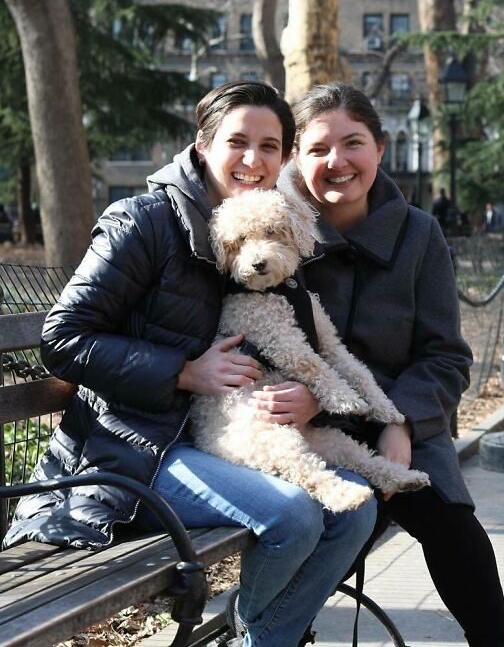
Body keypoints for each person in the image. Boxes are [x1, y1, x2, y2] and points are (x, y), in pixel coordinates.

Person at [4, 81, 376, 647]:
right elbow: (61, 339)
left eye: (271, 146)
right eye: (238, 142)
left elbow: (298, 345)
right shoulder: (144, 221)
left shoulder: (263, 229)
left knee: (354, 510)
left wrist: (315, 397)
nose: (253, 160)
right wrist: (181, 370)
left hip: (217, 438)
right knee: (293, 516)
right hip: (130, 453)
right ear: (202, 145)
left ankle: (261, 636)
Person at [269, 82, 504, 647]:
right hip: (300, 428)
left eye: (353, 143)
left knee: (451, 523)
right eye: (318, 148)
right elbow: (255, 337)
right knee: (304, 524)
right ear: (295, 157)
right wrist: (317, 402)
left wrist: (399, 420)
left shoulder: (420, 235)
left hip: (401, 423)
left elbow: (447, 357)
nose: (337, 162)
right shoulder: (270, 226)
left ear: (381, 148)